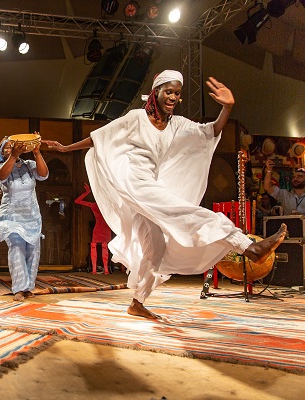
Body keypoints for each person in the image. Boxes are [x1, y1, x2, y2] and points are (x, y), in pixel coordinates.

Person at [43, 70, 287, 319]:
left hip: (149, 188)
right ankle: (249, 248)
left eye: (177, 93)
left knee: (156, 249)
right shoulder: (136, 118)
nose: (173, 97)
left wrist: (227, 108)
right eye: (168, 91)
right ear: (156, 92)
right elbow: (99, 137)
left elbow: (210, 132)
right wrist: (66, 148)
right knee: (188, 213)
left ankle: (137, 302)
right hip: (133, 183)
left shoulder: (177, 124)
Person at [0, 135, 49, 301]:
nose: (10, 148)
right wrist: (13, 156)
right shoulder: (0, 168)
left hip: (32, 216)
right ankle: (18, 289)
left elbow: (44, 175)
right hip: (11, 218)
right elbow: (2, 176)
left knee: (33, 252)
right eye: (6, 147)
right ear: (1, 152)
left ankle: (28, 288)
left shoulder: (29, 165)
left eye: (12, 146)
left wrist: (37, 152)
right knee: (17, 248)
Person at [75, 182, 112, 273]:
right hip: (106, 228)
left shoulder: (95, 205)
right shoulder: (109, 206)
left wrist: (87, 192)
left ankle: (95, 269)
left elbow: (77, 201)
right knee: (104, 247)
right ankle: (105, 270)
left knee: (94, 246)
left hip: (99, 228)